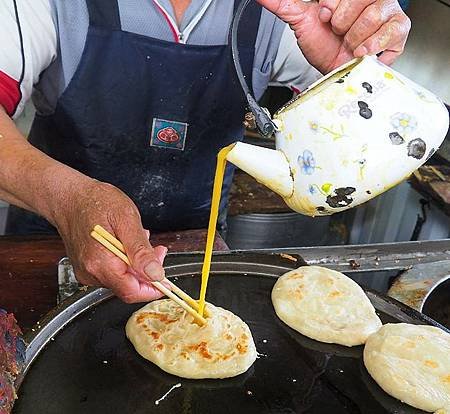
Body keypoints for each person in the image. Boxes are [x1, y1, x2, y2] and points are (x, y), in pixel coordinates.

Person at [0, 0, 410, 303]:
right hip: (50, 246)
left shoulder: (289, 11)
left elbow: (365, 147)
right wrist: (70, 199)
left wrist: (352, 73)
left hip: (197, 255)